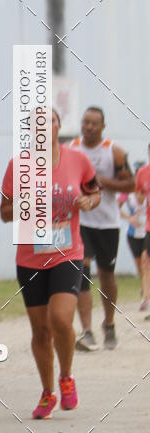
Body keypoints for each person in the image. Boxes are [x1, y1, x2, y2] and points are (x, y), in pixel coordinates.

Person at [0, 109, 100, 418]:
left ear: (58, 126)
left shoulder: (78, 160)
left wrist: (89, 201)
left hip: (67, 253)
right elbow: (4, 212)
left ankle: (66, 377)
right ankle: (48, 392)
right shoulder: (18, 165)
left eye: (50, 121)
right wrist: (22, 203)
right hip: (30, 259)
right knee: (41, 330)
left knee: (60, 318)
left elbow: (94, 191)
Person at [70, 107, 135, 350]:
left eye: (94, 123)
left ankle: (108, 323)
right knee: (81, 271)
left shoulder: (113, 151)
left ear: (103, 126)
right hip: (81, 220)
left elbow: (130, 184)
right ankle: (86, 330)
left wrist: (100, 182)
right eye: (85, 122)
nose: (88, 127)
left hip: (107, 223)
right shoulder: (72, 149)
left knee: (106, 274)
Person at [118, 161, 146, 308]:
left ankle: (145, 295)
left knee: (145, 262)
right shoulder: (127, 192)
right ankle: (144, 291)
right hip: (133, 234)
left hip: (147, 232)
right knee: (140, 266)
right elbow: (116, 207)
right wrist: (129, 218)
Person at [134, 149, 150, 316]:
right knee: (145, 261)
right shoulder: (143, 173)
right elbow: (139, 196)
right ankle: (146, 297)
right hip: (149, 226)